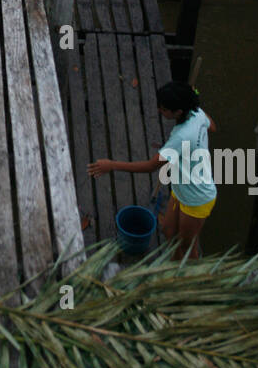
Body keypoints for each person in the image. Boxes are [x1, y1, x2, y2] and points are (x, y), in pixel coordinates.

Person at [87, 82, 217, 260]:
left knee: (188, 247)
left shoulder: (181, 136)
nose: (159, 111)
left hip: (196, 198)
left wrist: (112, 165)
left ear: (178, 112)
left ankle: (191, 280)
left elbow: (151, 166)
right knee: (169, 231)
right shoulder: (197, 113)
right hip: (181, 188)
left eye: (163, 109)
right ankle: (174, 265)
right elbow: (212, 127)